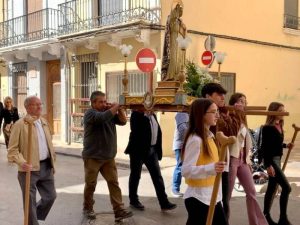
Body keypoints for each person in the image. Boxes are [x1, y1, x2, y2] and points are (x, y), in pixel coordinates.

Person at [82, 91, 132, 222]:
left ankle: (119, 210)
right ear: (93, 103)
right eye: (101, 102)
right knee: (91, 184)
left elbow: (123, 121)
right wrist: (115, 106)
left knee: (114, 183)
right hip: (93, 156)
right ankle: (88, 208)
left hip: (108, 157)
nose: (104, 104)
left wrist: (119, 109)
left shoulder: (108, 112)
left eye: (105, 101)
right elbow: (102, 118)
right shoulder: (90, 114)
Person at [7, 96, 56, 225]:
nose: (40, 107)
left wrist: (53, 161)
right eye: (36, 105)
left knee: (51, 197)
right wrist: (22, 162)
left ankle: (33, 215)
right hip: (28, 169)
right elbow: (12, 150)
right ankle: (32, 222)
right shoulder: (20, 125)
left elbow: (49, 143)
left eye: (40, 104)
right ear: (27, 107)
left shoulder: (44, 122)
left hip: (46, 166)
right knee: (29, 202)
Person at [181, 98, 228, 225]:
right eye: (213, 112)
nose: (217, 115)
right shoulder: (195, 140)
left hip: (212, 197)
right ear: (201, 115)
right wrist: (211, 168)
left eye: (217, 111)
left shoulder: (211, 138)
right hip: (199, 199)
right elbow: (186, 170)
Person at [227, 93, 268, 225]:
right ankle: (222, 221)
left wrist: (248, 160)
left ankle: (256, 223)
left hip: (243, 160)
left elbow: (245, 142)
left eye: (245, 102)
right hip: (232, 159)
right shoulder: (229, 116)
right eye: (240, 101)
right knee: (226, 195)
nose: (243, 104)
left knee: (252, 193)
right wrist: (235, 113)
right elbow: (232, 132)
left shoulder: (243, 118)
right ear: (233, 103)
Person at [125, 110, 177, 211]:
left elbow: (155, 131)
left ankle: (164, 203)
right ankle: (133, 200)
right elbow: (136, 131)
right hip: (138, 151)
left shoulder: (153, 115)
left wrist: (156, 150)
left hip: (152, 151)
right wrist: (145, 115)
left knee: (157, 177)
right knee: (135, 176)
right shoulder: (136, 114)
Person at [262, 102, 294, 225]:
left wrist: (286, 145)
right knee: (287, 188)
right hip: (272, 161)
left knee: (271, 188)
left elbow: (275, 144)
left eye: (283, 109)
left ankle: (266, 215)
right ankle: (283, 218)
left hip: (277, 159)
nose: (283, 112)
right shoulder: (267, 128)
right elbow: (265, 148)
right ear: (273, 112)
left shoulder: (279, 125)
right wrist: (268, 165)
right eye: (280, 110)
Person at [161, 0, 186, 81]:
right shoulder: (171, 19)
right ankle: (171, 76)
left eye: (179, 12)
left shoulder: (180, 22)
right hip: (173, 41)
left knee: (179, 60)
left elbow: (184, 33)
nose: (178, 13)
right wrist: (176, 7)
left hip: (179, 44)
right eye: (177, 11)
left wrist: (184, 28)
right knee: (173, 59)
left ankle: (178, 76)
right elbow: (172, 18)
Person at [172, 112, 189, 197]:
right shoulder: (182, 113)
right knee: (180, 166)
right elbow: (182, 128)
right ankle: (175, 189)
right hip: (181, 145)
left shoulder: (188, 113)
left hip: (186, 144)